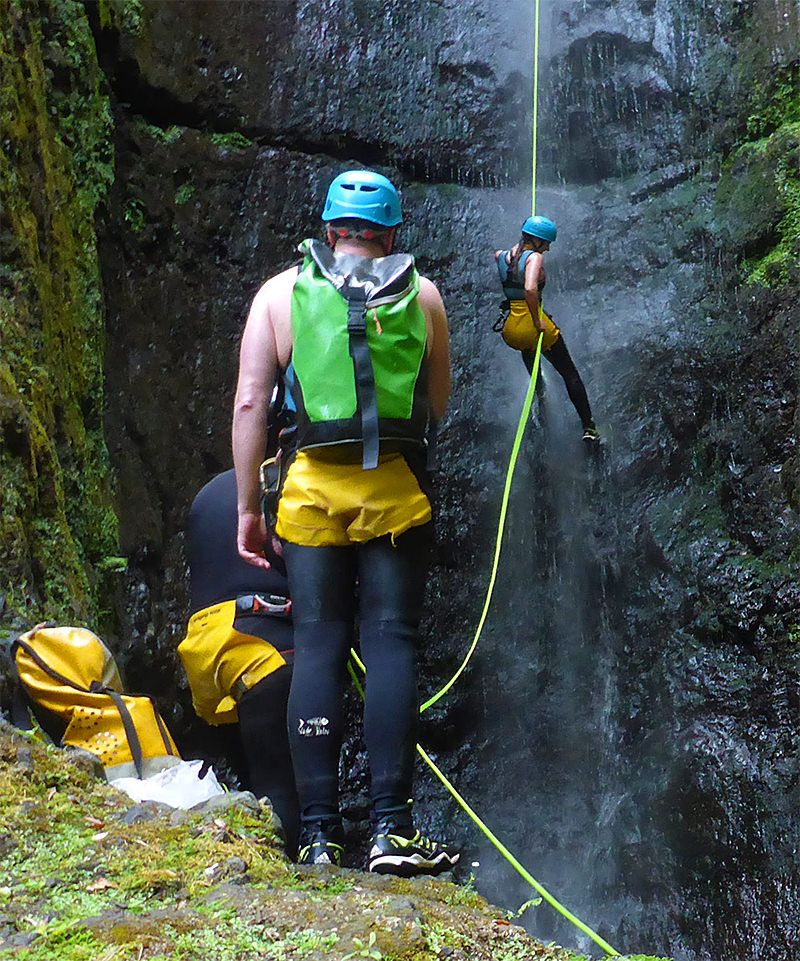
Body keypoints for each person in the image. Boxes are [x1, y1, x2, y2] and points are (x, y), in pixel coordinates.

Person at [232, 169, 459, 876]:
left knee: (320, 640)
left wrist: (247, 505)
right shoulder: (421, 295)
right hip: (393, 492)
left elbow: (248, 404)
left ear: (328, 228)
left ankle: (319, 836)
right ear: (391, 233)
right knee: (390, 641)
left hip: (308, 493)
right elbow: (437, 403)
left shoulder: (278, 295)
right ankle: (393, 830)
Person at [177, 468, 300, 855]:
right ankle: (296, 870)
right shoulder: (290, 481)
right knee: (281, 781)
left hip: (208, 653)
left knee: (250, 773)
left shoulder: (209, 491)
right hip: (265, 645)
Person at [495, 215, 600, 443]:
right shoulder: (535, 258)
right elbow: (530, 290)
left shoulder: (502, 256)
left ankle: (541, 395)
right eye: (547, 243)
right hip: (532, 326)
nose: (549, 248)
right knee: (570, 373)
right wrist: (537, 321)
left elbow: (511, 266)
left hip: (511, 328)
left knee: (532, 363)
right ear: (539, 241)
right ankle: (589, 427)